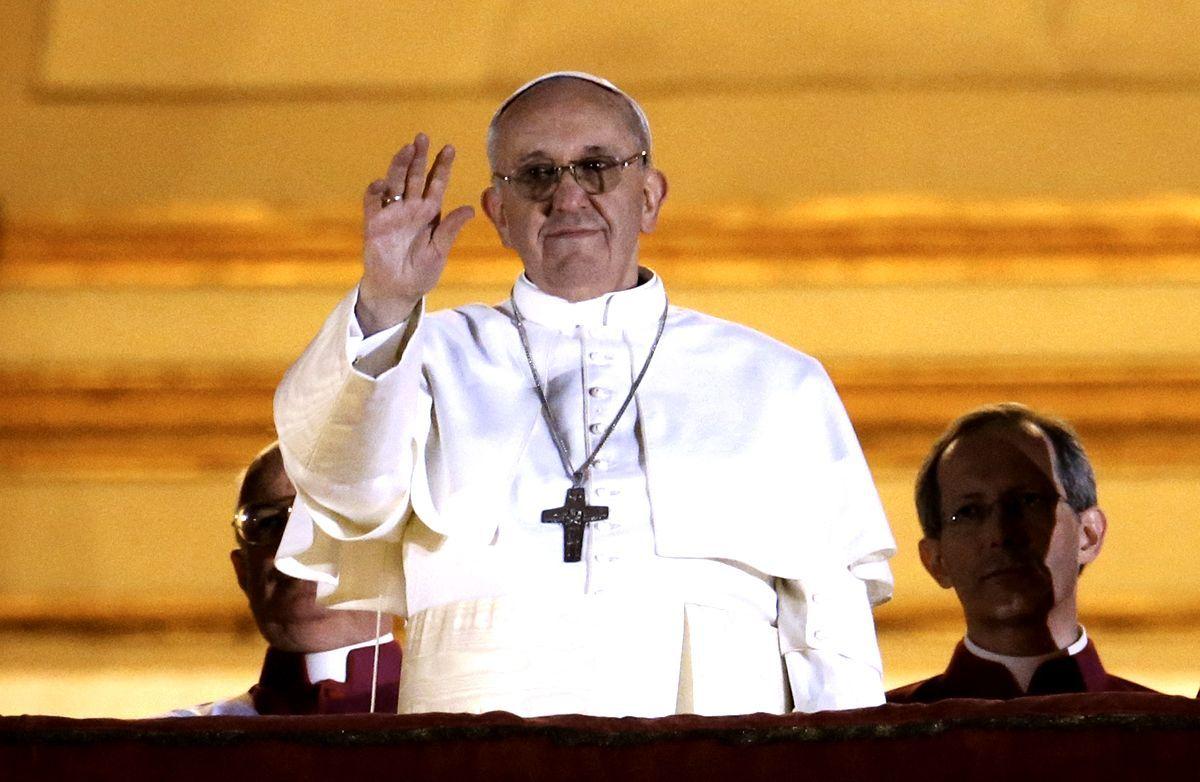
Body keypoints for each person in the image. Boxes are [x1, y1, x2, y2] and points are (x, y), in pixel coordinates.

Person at [273, 71, 895, 717]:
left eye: (597, 167)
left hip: (712, 736)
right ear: (498, 214)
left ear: (649, 197)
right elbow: (344, 493)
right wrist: (385, 299)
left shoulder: (776, 380)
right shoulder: (419, 356)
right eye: (536, 174)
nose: (568, 197)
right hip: (475, 737)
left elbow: (832, 627)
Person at [887, 403, 1154, 703]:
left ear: (1088, 535)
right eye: (969, 512)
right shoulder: (879, 739)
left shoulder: (1167, 733)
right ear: (936, 560)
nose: (999, 534)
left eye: (1029, 501)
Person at [170, 443, 401, 716]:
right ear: (243, 572)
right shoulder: (175, 747)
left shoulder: (459, 733)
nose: (296, 545)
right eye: (267, 522)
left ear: (397, 559)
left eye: (328, 518)